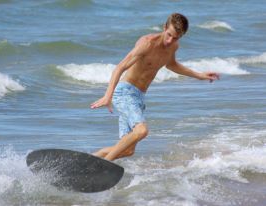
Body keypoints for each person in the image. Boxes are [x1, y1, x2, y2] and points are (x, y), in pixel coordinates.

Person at [90, 13, 219, 161]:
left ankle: (91, 159)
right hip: (125, 92)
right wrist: (108, 96)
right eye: (169, 35)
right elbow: (120, 67)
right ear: (164, 27)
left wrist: (200, 75)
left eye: (175, 38)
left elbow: (172, 65)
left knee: (128, 150)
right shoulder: (147, 43)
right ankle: (104, 164)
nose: (170, 41)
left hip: (139, 97)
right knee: (142, 131)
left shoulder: (173, 47)